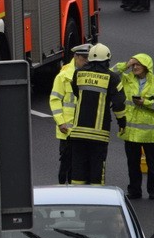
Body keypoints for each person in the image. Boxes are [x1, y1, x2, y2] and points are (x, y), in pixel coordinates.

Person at [68, 43, 126, 185]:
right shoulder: (112, 78)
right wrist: (122, 123)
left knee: (78, 171)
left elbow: (77, 93)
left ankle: (78, 201)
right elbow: (118, 105)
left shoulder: (78, 73)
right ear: (107, 60)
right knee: (97, 172)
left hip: (77, 133)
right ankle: (95, 201)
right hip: (98, 135)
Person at [112, 53, 154, 200]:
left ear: (146, 67)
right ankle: (134, 190)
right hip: (130, 132)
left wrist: (146, 103)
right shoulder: (127, 79)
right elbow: (111, 74)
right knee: (133, 164)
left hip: (150, 134)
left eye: (138, 64)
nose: (135, 67)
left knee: (152, 164)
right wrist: (126, 64)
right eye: (133, 65)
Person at [49, 44, 90, 185]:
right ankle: (62, 189)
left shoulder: (89, 74)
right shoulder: (64, 76)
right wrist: (60, 122)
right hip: (67, 130)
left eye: (88, 58)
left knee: (81, 164)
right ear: (76, 57)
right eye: (84, 58)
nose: (87, 61)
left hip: (84, 129)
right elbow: (55, 100)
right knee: (66, 164)